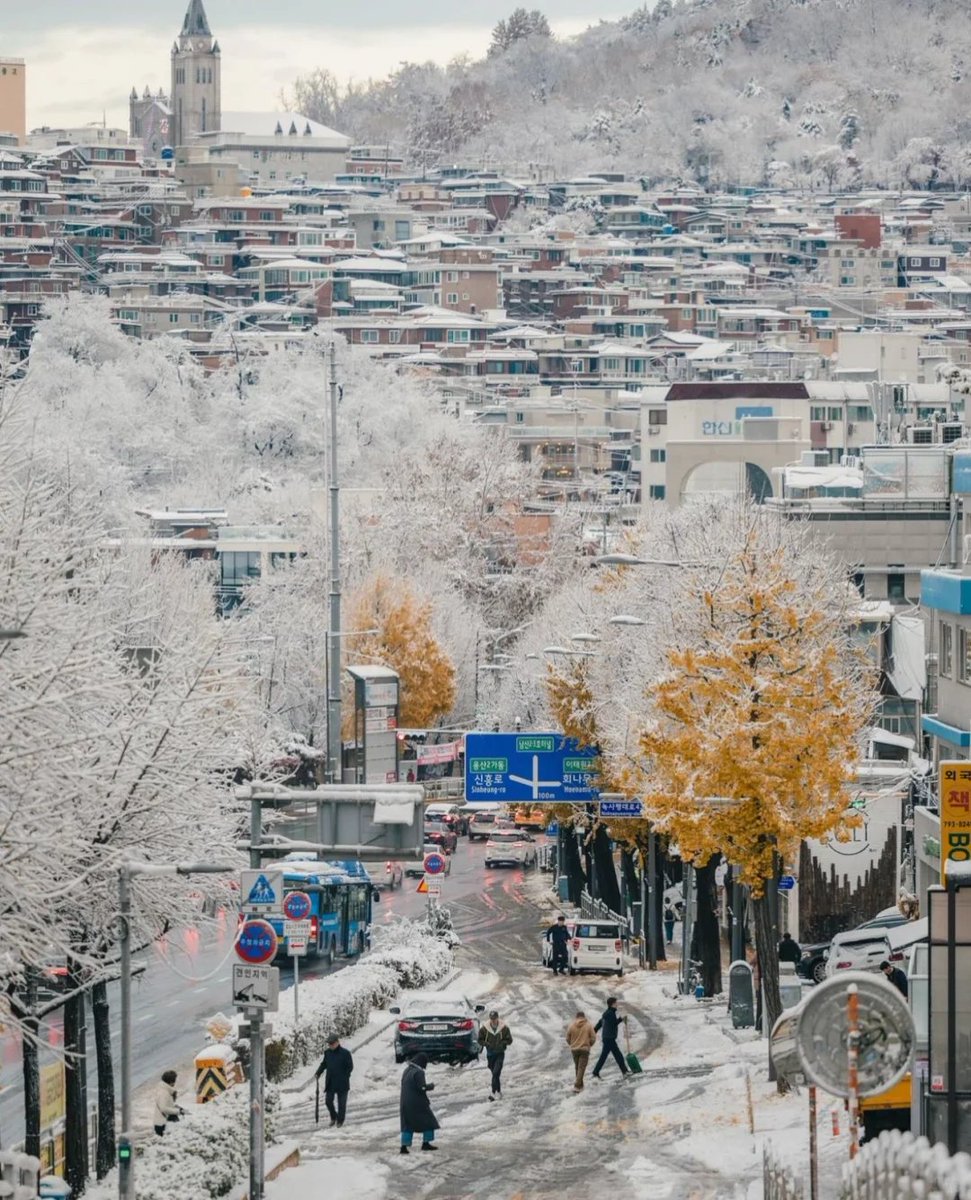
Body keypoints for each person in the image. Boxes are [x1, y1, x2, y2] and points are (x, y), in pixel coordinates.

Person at [399, 1053, 439, 1154]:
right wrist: (431, 1086)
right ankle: (426, 1143)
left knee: (407, 1124)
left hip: (405, 1102)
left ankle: (404, 1146)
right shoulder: (418, 1072)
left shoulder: (406, 1070)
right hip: (418, 1103)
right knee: (429, 1122)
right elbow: (422, 1087)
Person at [314, 1032, 354, 1127]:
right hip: (331, 1082)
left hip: (342, 1082)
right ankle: (334, 1116)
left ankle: (340, 1120)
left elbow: (350, 1067)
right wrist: (318, 1073)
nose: (330, 1045)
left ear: (337, 1042)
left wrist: (345, 1076)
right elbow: (324, 1064)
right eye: (329, 1044)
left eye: (332, 1043)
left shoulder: (345, 1053)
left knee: (341, 1104)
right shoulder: (327, 1053)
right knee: (328, 1101)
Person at [592, 997, 630, 1080]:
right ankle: (624, 1071)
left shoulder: (607, 1013)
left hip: (608, 1038)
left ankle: (624, 1071)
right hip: (609, 1038)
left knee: (612, 1055)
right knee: (616, 1055)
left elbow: (600, 1023)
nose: (617, 1004)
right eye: (616, 1003)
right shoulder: (610, 1013)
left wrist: (594, 1030)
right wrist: (621, 1018)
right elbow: (614, 1023)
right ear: (612, 1004)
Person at [478, 1009, 512, 1101]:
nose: (493, 1020)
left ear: (497, 1018)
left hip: (500, 1054)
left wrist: (502, 1043)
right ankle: (499, 1091)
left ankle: (493, 1093)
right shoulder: (485, 1028)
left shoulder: (504, 1028)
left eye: (495, 1018)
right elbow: (479, 1040)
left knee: (496, 1073)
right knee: (495, 1074)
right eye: (492, 1019)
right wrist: (487, 1044)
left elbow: (509, 1040)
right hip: (490, 1055)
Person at [565, 1010, 596, 1092]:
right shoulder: (588, 1025)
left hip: (574, 1050)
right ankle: (577, 1086)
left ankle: (580, 1085)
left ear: (576, 1017)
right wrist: (589, 1044)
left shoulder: (571, 1025)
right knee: (581, 1068)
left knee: (577, 1067)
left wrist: (572, 1044)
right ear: (584, 1017)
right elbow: (593, 1037)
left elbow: (567, 1038)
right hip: (584, 1049)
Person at [153, 1069, 183, 1136]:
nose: (175, 1083)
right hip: (162, 1124)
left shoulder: (165, 1090)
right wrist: (177, 1111)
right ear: (171, 1082)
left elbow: (167, 1104)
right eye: (174, 1081)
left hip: (162, 1122)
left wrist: (177, 1107)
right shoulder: (164, 1092)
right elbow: (163, 1108)